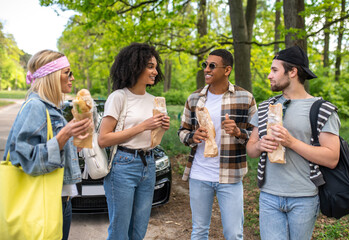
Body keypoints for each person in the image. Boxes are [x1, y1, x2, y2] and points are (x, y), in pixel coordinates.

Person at [246, 45, 340, 240]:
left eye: (274, 70)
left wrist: (291, 142)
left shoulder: (321, 109)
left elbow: (332, 158)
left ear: (293, 72)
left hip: (304, 197)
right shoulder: (265, 108)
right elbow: (251, 149)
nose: (269, 75)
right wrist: (259, 145)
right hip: (269, 196)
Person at [3, 49, 92, 240]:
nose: (72, 78)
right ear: (51, 75)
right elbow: (23, 160)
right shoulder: (36, 107)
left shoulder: (51, 107)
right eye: (67, 72)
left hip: (61, 200)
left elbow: (55, 151)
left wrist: (77, 141)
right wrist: (64, 135)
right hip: (44, 202)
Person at [178, 49, 257, 240]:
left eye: (212, 66)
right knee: (199, 230)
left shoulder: (245, 98)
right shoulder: (194, 98)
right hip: (199, 174)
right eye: (205, 65)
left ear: (227, 70)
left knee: (233, 233)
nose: (206, 69)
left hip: (230, 176)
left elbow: (257, 136)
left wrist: (238, 132)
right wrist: (192, 137)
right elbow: (182, 132)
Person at [97, 43, 170, 240]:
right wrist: (143, 126)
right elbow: (103, 138)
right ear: (134, 66)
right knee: (120, 231)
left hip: (149, 164)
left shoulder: (155, 100)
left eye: (156, 66)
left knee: (139, 230)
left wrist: (161, 128)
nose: (155, 71)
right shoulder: (119, 97)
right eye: (150, 66)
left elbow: (152, 141)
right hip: (123, 165)